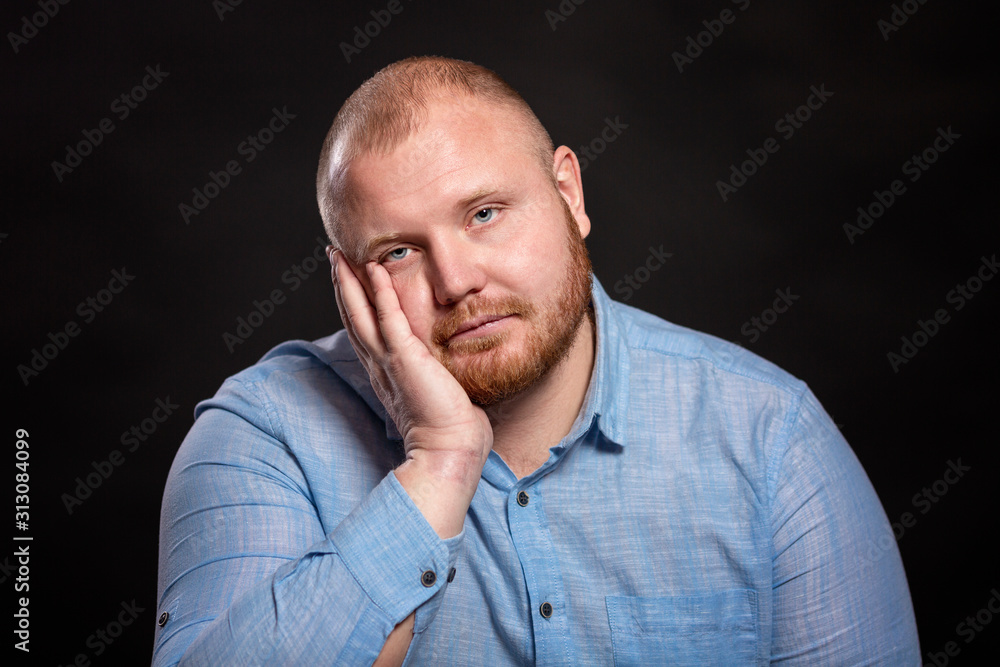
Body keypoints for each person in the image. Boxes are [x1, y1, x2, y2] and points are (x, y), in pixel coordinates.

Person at [154, 56, 920, 666]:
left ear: (569, 194)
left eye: (484, 214)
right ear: (349, 280)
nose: (457, 282)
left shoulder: (770, 436)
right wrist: (441, 463)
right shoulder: (262, 435)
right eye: (399, 251)